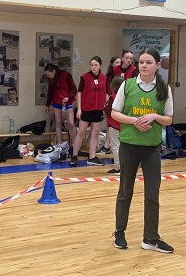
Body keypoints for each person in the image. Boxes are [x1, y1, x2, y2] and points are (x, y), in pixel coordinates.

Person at [111, 47, 174, 253]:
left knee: (152, 194)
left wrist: (155, 117)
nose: (144, 65)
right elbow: (114, 113)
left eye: (149, 62)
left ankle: (151, 238)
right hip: (129, 146)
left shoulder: (164, 89)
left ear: (157, 65)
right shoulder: (127, 85)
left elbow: (169, 119)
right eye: (141, 62)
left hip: (152, 148)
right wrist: (133, 121)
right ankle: (119, 232)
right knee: (125, 191)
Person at [71, 56, 108, 167]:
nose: (93, 67)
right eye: (92, 65)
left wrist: (105, 107)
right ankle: (74, 155)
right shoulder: (84, 77)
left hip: (98, 109)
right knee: (81, 132)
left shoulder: (104, 78)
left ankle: (92, 157)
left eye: (96, 65)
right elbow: (79, 93)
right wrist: (79, 109)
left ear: (100, 65)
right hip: (86, 108)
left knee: (95, 132)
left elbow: (107, 93)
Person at [44, 63, 77, 145]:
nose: (48, 76)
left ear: (53, 71)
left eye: (48, 74)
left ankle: (75, 144)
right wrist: (47, 104)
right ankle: (59, 144)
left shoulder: (66, 75)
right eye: (46, 75)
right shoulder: (50, 79)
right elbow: (50, 91)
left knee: (71, 123)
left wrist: (68, 97)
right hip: (57, 101)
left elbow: (74, 89)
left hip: (67, 101)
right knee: (58, 123)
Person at [104, 76, 123, 175]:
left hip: (114, 125)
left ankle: (118, 167)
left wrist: (105, 107)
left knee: (116, 147)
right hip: (124, 125)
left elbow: (108, 111)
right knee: (124, 147)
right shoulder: (126, 97)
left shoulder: (112, 98)